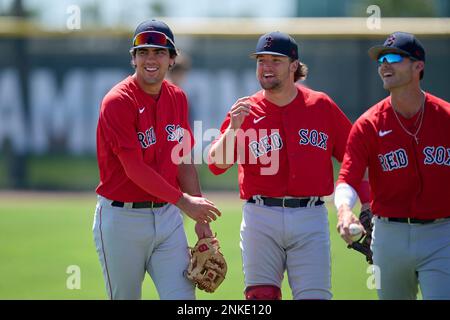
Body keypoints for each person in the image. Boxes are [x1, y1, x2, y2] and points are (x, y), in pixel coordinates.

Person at [208, 31, 370, 300]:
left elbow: (357, 160)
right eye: (261, 60)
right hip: (261, 215)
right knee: (261, 298)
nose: (266, 67)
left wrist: (368, 202)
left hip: (311, 216)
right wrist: (233, 130)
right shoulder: (245, 110)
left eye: (275, 60)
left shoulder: (320, 105)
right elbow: (216, 164)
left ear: (294, 65)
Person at [93, 19, 221, 300]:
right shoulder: (117, 101)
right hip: (122, 219)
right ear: (134, 59)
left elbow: (184, 159)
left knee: (183, 299)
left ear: (172, 59)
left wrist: (199, 216)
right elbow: (134, 168)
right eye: (143, 53)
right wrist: (185, 202)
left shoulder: (177, 98)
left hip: (167, 218)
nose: (150, 59)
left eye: (159, 52)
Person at [334, 31, 450, 300]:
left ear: (418, 66)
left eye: (394, 57)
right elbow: (348, 179)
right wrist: (343, 211)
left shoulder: (445, 117)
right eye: (381, 59)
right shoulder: (369, 124)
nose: (384, 64)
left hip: (442, 234)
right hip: (389, 235)